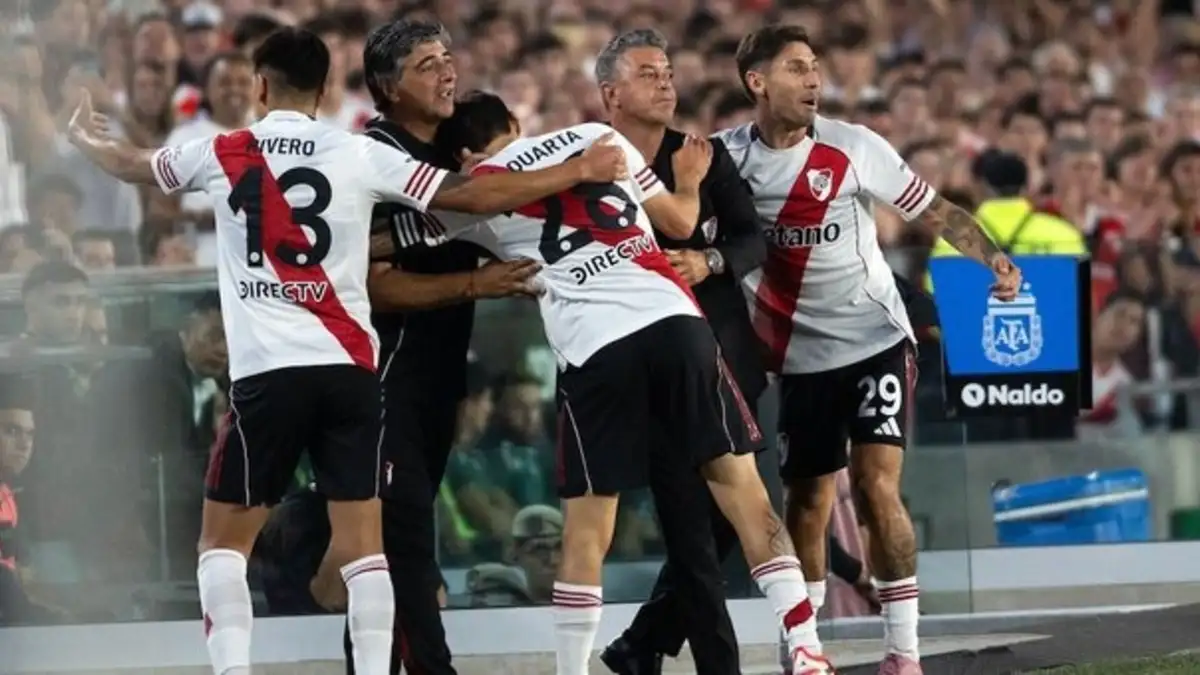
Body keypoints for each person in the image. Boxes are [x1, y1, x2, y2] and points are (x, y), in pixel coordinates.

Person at [63, 27, 626, 675]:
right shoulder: (358, 152)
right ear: (326, 91)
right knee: (365, 551)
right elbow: (468, 196)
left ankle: (232, 669)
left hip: (268, 376)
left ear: (261, 86)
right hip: (352, 374)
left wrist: (84, 136)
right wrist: (580, 168)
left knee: (221, 546)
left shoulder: (223, 150)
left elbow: (131, 162)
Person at [415, 90, 834, 674]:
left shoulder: (474, 191)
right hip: (677, 322)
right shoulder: (598, 137)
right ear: (515, 121)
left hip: (597, 346)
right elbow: (681, 223)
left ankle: (572, 671)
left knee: (590, 524)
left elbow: (395, 240)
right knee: (743, 492)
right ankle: (807, 647)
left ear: (462, 154)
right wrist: (687, 182)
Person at [713, 25, 1023, 674]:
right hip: (798, 357)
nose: (813, 79)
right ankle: (805, 649)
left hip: (877, 339)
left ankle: (902, 653)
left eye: (816, 66)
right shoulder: (723, 161)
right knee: (806, 500)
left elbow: (935, 211)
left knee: (877, 485)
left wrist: (993, 257)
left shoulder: (854, 146)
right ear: (757, 82)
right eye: (797, 68)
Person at [343, 19, 546, 675]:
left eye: (447, 57)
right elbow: (371, 283)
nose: (446, 71)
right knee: (402, 541)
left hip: (437, 374)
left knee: (402, 535)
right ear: (385, 85)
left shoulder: (456, 151)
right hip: (383, 372)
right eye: (426, 64)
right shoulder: (371, 156)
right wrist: (475, 282)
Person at [590, 29, 767, 675]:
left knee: (725, 527)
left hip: (729, 365)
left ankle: (641, 642)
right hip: (652, 376)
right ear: (611, 92)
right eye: (648, 74)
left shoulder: (703, 156)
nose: (666, 82)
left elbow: (752, 239)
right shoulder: (587, 162)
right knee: (693, 532)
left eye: (668, 71)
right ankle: (717, 665)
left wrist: (709, 259)